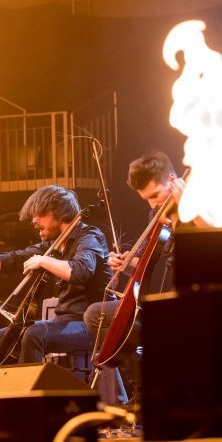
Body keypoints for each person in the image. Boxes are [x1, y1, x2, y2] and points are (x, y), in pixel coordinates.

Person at [84, 151, 203, 404]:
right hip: (163, 300)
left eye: (155, 196)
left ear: (172, 181)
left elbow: (219, 241)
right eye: (145, 199)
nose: (152, 205)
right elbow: (153, 265)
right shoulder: (156, 216)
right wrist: (128, 264)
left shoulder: (198, 207)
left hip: (196, 301)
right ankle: (140, 393)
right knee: (97, 314)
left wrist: (188, 211)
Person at [0, 185, 111, 365]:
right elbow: (17, 257)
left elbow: (80, 270)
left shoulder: (89, 236)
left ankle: (29, 392)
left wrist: (43, 261)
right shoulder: (55, 245)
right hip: (64, 323)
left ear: (59, 213)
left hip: (91, 326)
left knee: (34, 334)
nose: (34, 220)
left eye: (41, 213)